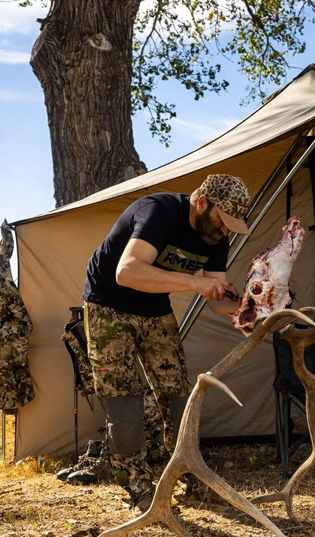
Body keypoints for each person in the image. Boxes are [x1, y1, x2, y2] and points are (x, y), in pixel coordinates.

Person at [79, 173, 250, 511]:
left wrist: (252, 312)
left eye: (232, 225)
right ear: (202, 203)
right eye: (222, 221)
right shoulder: (157, 212)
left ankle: (192, 478)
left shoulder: (217, 236)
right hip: (107, 306)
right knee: (124, 404)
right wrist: (192, 282)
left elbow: (217, 299)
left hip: (154, 309)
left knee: (178, 399)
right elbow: (126, 272)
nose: (225, 231)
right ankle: (140, 491)